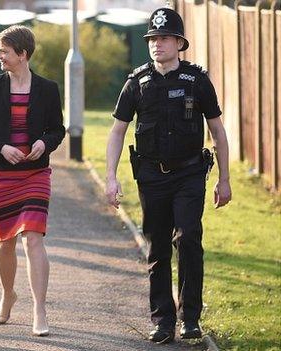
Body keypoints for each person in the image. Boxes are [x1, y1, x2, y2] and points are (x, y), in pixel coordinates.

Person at [105, 8, 232, 344]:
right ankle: (162, 320)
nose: (157, 44)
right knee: (158, 247)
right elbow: (117, 131)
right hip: (151, 176)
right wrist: (110, 178)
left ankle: (190, 318)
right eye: (152, 39)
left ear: (179, 42)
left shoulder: (197, 81)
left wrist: (224, 178)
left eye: (163, 38)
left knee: (189, 237)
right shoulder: (136, 83)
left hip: (190, 173)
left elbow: (217, 131)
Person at [0, 25, 65, 337]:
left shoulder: (48, 89)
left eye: (4, 51)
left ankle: (40, 308)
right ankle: (7, 295)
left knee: (33, 238)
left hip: (36, 173)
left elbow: (57, 129)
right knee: (6, 241)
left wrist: (44, 143)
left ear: (22, 54)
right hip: (2, 176)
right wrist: (0, 148)